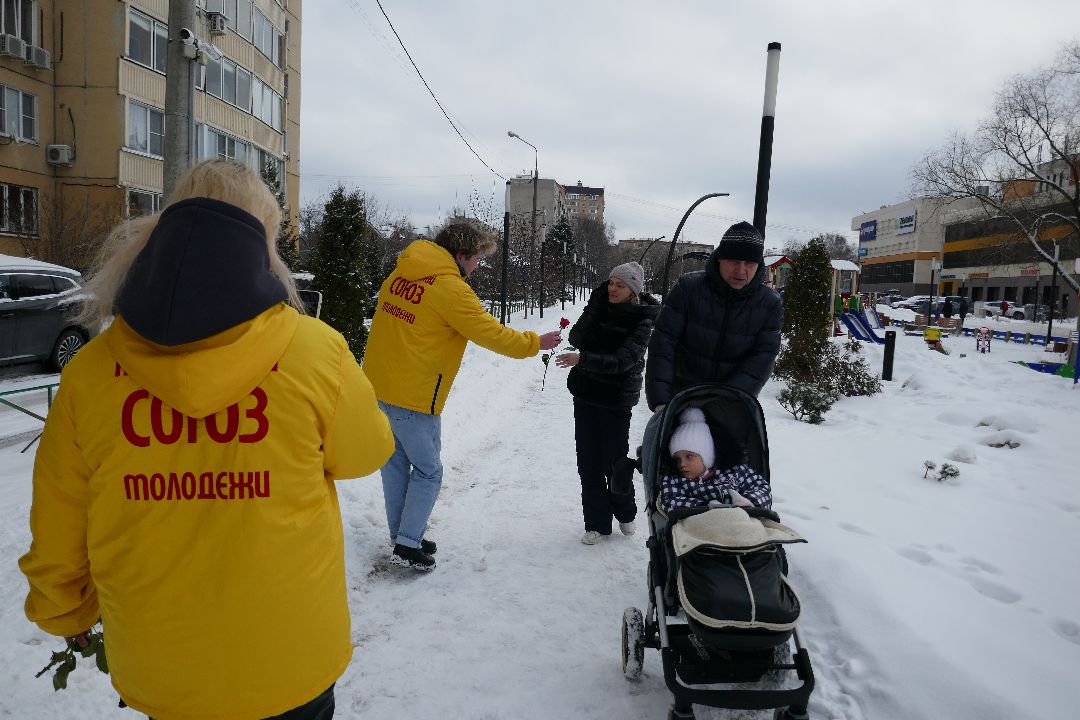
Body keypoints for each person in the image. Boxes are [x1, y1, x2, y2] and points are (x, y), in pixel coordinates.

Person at [18, 160, 395, 720]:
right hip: (289, 658)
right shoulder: (315, 351)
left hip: (163, 665)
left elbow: (60, 519)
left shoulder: (93, 372)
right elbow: (365, 454)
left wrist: (65, 613)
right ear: (260, 240)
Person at [363, 221, 561, 570]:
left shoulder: (401, 275)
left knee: (394, 467)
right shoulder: (450, 289)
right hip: (414, 398)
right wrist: (535, 343)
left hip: (379, 389)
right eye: (477, 259)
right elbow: (492, 334)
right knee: (428, 471)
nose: (478, 266)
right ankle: (408, 545)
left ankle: (403, 535)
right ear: (460, 255)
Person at [553, 261, 660, 545]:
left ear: (633, 290)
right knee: (587, 461)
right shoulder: (600, 306)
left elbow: (623, 361)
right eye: (611, 283)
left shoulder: (643, 320)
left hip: (616, 400)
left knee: (614, 464)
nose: (612, 288)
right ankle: (597, 523)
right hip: (586, 393)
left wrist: (583, 359)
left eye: (620, 285)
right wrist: (595, 304)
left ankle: (624, 511)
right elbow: (577, 337)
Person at [645, 221, 783, 412]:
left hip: (730, 407)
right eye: (734, 261)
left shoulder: (769, 304)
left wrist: (727, 402)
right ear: (720, 258)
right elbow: (663, 343)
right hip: (679, 400)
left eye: (749, 263)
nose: (741, 270)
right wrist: (662, 402)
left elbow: (762, 359)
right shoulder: (688, 288)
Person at [659, 408, 772, 513]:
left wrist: (749, 501)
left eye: (689, 457)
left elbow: (762, 487)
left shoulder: (734, 472)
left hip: (742, 516)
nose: (682, 464)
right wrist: (704, 506)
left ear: (707, 455)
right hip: (700, 522)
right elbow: (670, 500)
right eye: (677, 460)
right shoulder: (675, 480)